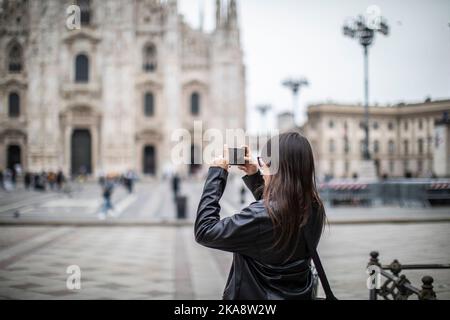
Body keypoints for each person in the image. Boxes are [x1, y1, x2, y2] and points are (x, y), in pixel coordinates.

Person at [195, 132, 328, 300]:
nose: (262, 170)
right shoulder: (314, 207)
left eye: (263, 164)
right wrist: (254, 175)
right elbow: (276, 218)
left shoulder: (261, 216)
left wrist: (216, 174)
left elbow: (205, 231)